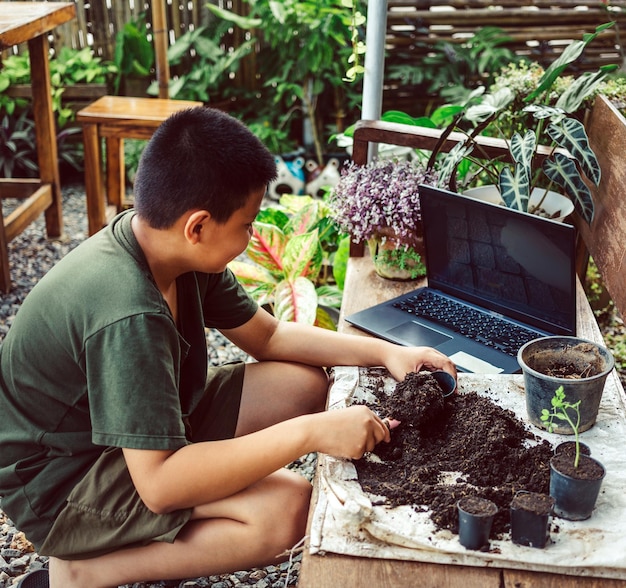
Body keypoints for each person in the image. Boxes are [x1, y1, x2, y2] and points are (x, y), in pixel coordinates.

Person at [0, 107, 456, 588]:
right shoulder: (128, 312)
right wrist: (311, 433)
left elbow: (271, 337)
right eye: (246, 223)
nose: (253, 235)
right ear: (197, 226)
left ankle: (174, 500)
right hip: (63, 483)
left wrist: (387, 352)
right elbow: (159, 487)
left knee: (298, 381)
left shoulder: (172, 249)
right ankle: (78, 572)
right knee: (286, 511)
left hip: (128, 435)